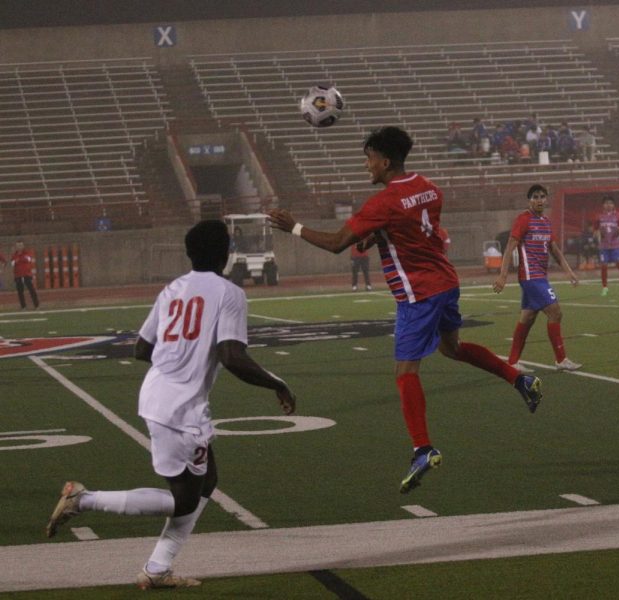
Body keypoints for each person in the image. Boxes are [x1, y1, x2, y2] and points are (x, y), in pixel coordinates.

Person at [267, 126, 542, 494]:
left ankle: (423, 448)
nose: (367, 165)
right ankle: (518, 378)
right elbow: (413, 229)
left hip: (418, 294)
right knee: (453, 349)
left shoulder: (382, 203)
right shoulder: (430, 187)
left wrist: (294, 227)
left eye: (368, 158)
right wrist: (378, 235)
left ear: (384, 160)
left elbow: (336, 244)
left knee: (404, 370)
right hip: (446, 282)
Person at [45, 220, 296, 589]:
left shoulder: (172, 288)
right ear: (225, 253)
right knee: (183, 502)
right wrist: (278, 383)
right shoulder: (229, 293)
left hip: (158, 393)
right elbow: (232, 356)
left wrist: (177, 359)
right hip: (180, 409)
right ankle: (84, 501)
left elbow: (142, 348)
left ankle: (157, 568)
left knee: (208, 479)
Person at [493, 184, 581, 373]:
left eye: (542, 196)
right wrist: (502, 275)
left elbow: (554, 250)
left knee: (528, 317)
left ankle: (513, 361)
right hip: (531, 277)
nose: (539, 200)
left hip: (540, 276)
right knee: (555, 312)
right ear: (529, 200)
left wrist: (569, 271)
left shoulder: (546, 222)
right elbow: (510, 246)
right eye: (535, 197)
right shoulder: (524, 219)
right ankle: (561, 359)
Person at [594, 196, 619, 296]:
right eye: (606, 203)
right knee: (604, 266)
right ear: (603, 205)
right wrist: (598, 234)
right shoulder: (599, 216)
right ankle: (605, 287)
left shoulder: (618, 215)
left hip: (616, 245)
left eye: (610, 203)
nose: (608, 205)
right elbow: (595, 230)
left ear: (614, 205)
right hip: (604, 246)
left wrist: (618, 233)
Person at [11, 240, 39, 309]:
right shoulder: (14, 254)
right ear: (16, 247)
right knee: (20, 292)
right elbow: (13, 263)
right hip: (18, 275)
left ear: (23, 246)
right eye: (18, 245)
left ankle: (36, 305)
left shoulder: (27, 253)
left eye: (20, 245)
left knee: (31, 290)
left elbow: (29, 259)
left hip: (27, 274)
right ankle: (23, 306)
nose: (19, 247)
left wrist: (19, 260)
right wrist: (19, 260)